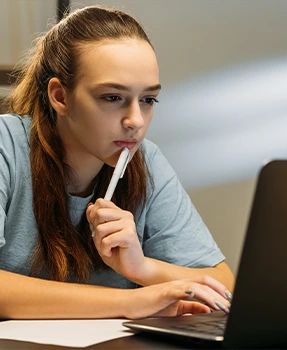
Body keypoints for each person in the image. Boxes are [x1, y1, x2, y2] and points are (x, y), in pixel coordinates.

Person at [0, 5, 234, 320]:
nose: (135, 121)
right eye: (112, 98)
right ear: (60, 97)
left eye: (148, 100)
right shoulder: (6, 145)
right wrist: (134, 303)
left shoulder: (146, 160)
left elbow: (223, 285)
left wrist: (142, 268)